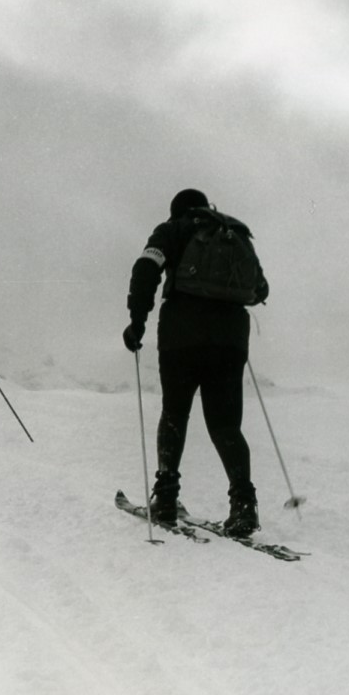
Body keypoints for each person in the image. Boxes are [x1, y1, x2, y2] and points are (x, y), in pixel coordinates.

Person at [123, 188, 270, 537]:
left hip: (182, 333)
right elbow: (261, 289)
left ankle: (166, 499)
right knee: (225, 424)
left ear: (177, 210)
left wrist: (138, 321)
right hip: (231, 337)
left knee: (175, 411)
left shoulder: (172, 229)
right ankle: (244, 507)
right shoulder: (235, 233)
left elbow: (146, 267)